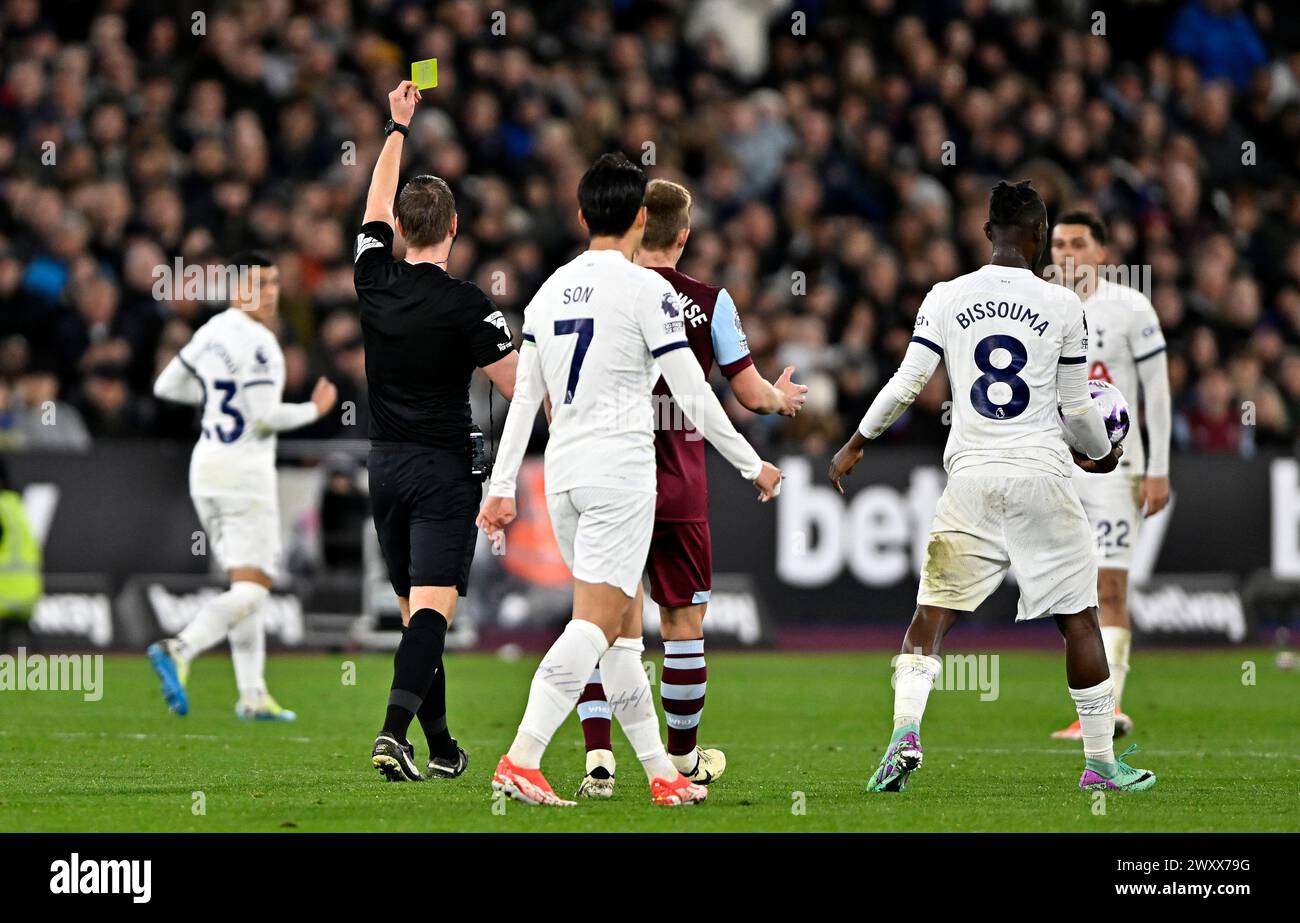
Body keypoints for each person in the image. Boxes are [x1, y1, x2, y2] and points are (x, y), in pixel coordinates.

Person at [828, 180, 1156, 793]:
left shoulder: (946, 297)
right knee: (1080, 622)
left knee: (928, 620)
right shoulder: (1063, 306)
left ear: (987, 234)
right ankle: (1101, 765)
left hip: (971, 477)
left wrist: (856, 442)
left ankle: (904, 735)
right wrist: (1102, 454)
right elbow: (1078, 407)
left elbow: (907, 383)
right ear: (1039, 236)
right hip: (1041, 476)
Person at [479, 153, 783, 807]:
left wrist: (502, 487)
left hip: (561, 475)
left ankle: (658, 771)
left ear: (583, 216)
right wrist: (749, 462)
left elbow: (523, 398)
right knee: (595, 624)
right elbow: (694, 395)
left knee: (620, 632)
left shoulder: (548, 290)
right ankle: (522, 755)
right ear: (641, 217)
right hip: (619, 475)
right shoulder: (650, 291)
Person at [574, 178, 807, 797]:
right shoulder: (710, 301)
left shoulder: (598, 290)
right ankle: (681, 759)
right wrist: (782, 400)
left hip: (607, 481)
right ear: (683, 235)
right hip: (678, 486)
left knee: (599, 624)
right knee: (682, 624)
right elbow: (749, 394)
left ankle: (599, 759)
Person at [356, 82, 519, 783]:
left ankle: (444, 745)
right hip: (444, 471)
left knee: (418, 617)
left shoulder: (374, 281)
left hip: (384, 470)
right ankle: (392, 733)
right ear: (453, 230)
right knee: (432, 616)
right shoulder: (467, 306)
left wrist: (396, 128)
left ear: (399, 231)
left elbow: (370, 211)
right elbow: (522, 387)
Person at [148, 250, 337, 720]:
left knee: (243, 581)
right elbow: (265, 417)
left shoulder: (210, 332)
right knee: (256, 588)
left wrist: (211, 393)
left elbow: (165, 387)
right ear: (237, 289)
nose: (269, 293)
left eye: (273, 284)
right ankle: (180, 648)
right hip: (244, 477)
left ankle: (252, 695)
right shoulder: (262, 344)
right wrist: (313, 411)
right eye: (259, 284)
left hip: (206, 470)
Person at [1048, 210, 1171, 741]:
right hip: (1057, 466)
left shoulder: (1130, 307)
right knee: (1071, 591)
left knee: (1112, 586)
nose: (1066, 254)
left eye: (1078, 244)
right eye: (1058, 245)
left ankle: (1108, 709)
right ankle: (1093, 704)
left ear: (1101, 253)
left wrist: (1159, 469)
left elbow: (1158, 393)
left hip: (1118, 467)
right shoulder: (1041, 307)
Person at [0, 457, 42, 652]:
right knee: (21, 632)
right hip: (28, 593)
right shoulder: (15, 505)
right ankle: (40, 672)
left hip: (4, 593)